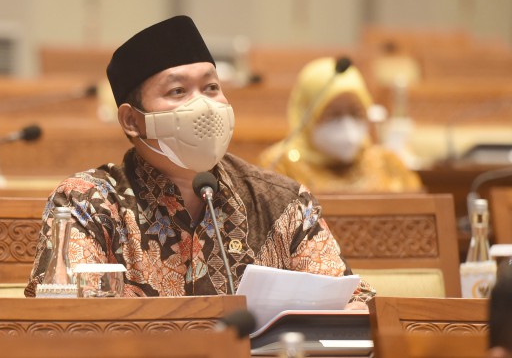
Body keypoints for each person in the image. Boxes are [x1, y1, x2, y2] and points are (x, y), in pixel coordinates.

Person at [26, 16, 374, 305]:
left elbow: (353, 305)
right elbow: (63, 321)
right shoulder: (87, 204)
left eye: (211, 88)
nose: (204, 106)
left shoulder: (282, 202)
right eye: (177, 91)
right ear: (132, 121)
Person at [259, 57, 422, 193]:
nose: (347, 125)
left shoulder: (387, 163)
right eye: (334, 115)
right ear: (307, 116)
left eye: (356, 112)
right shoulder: (280, 167)